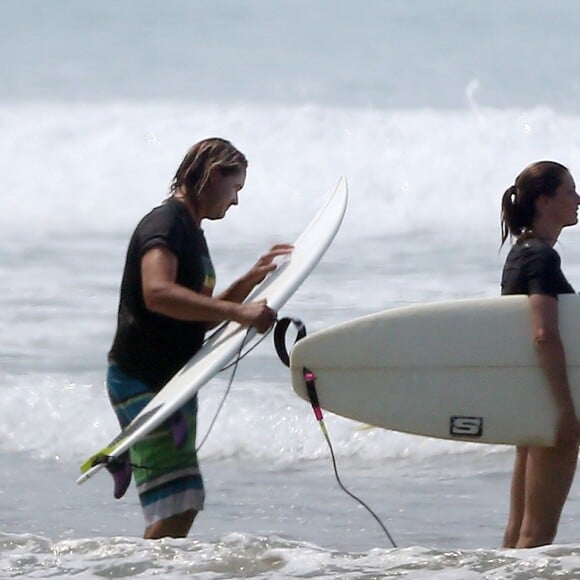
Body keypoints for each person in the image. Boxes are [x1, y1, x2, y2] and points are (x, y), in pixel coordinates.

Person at [105, 137, 293, 539]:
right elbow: (158, 293)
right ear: (212, 176)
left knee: (182, 502)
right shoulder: (167, 224)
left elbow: (192, 317)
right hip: (144, 381)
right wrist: (238, 312)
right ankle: (148, 569)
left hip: (172, 381)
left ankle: (128, 461)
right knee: (181, 504)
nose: (237, 201)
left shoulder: (191, 231)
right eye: (236, 188)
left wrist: (246, 283)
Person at [500, 160, 580, 548]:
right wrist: (566, 410)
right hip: (548, 404)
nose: (578, 200)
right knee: (536, 536)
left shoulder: (521, 253)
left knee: (518, 531)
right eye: (570, 191)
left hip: (528, 402)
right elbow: (544, 335)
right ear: (546, 200)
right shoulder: (541, 258)